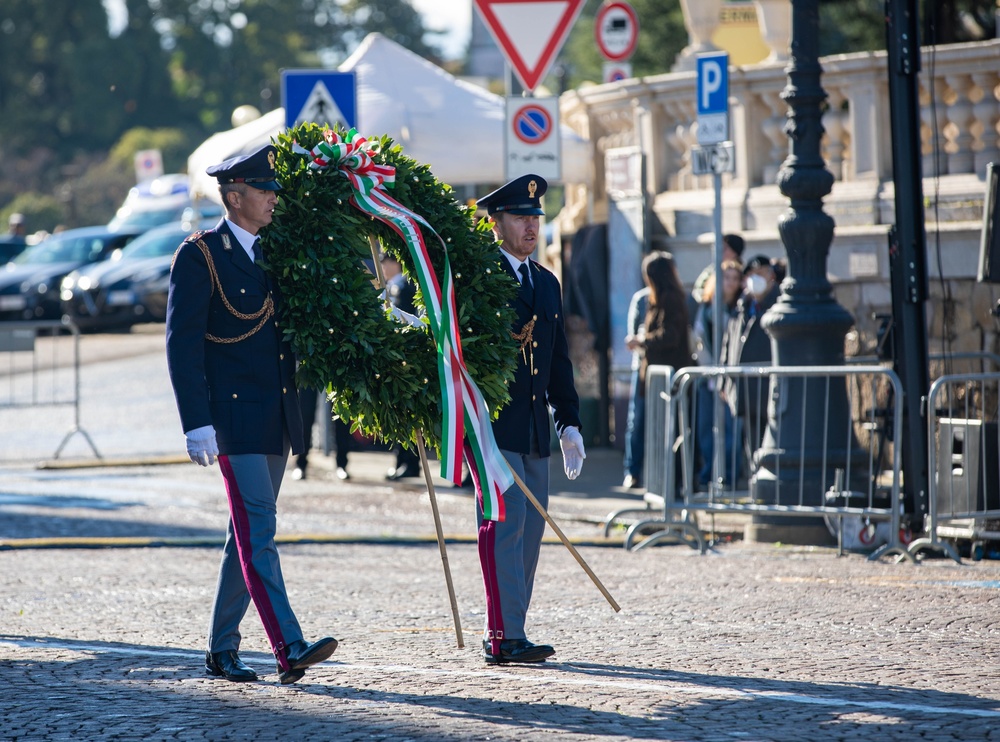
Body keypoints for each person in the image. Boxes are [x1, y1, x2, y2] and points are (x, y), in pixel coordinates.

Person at [165, 144, 337, 685]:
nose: (272, 200)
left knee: (245, 534)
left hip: (275, 417)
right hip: (231, 419)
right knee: (258, 529)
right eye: (264, 191)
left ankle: (221, 649)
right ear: (234, 196)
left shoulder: (274, 251)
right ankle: (289, 646)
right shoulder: (200, 255)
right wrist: (196, 422)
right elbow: (182, 344)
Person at [474, 173, 585, 665]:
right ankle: (503, 634)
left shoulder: (545, 282)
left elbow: (558, 361)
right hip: (494, 424)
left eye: (535, 218)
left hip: (537, 427)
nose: (530, 226)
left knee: (531, 530)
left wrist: (570, 424)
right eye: (520, 217)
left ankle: (512, 627)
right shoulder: (480, 280)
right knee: (506, 524)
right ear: (495, 222)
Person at [721, 254, 781, 468]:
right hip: (744, 388)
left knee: (770, 441)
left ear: (771, 276)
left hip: (768, 388)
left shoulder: (778, 304)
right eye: (751, 275)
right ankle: (756, 481)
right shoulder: (742, 306)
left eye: (761, 273)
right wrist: (724, 382)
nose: (755, 279)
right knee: (751, 442)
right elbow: (728, 345)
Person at [691, 259, 743, 487]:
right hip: (708, 378)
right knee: (706, 430)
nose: (730, 283)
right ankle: (709, 474)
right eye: (726, 278)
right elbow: (699, 340)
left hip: (731, 379)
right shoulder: (707, 308)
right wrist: (712, 371)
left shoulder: (740, 308)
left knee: (730, 432)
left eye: (735, 278)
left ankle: (728, 476)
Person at [381, 252, 422, 481]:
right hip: (396, 357)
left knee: (407, 414)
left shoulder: (404, 286)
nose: (383, 267)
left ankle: (409, 462)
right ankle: (402, 461)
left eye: (386, 262)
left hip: (406, 357)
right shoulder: (392, 286)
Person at [622, 284, 650, 489]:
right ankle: (632, 471)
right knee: (637, 420)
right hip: (641, 367)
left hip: (659, 366)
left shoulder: (672, 296)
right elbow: (630, 338)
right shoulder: (642, 298)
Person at [292, 387, 352, 481]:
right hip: (310, 373)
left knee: (341, 412)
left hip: (334, 373)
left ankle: (342, 464)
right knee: (305, 412)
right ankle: (300, 463)